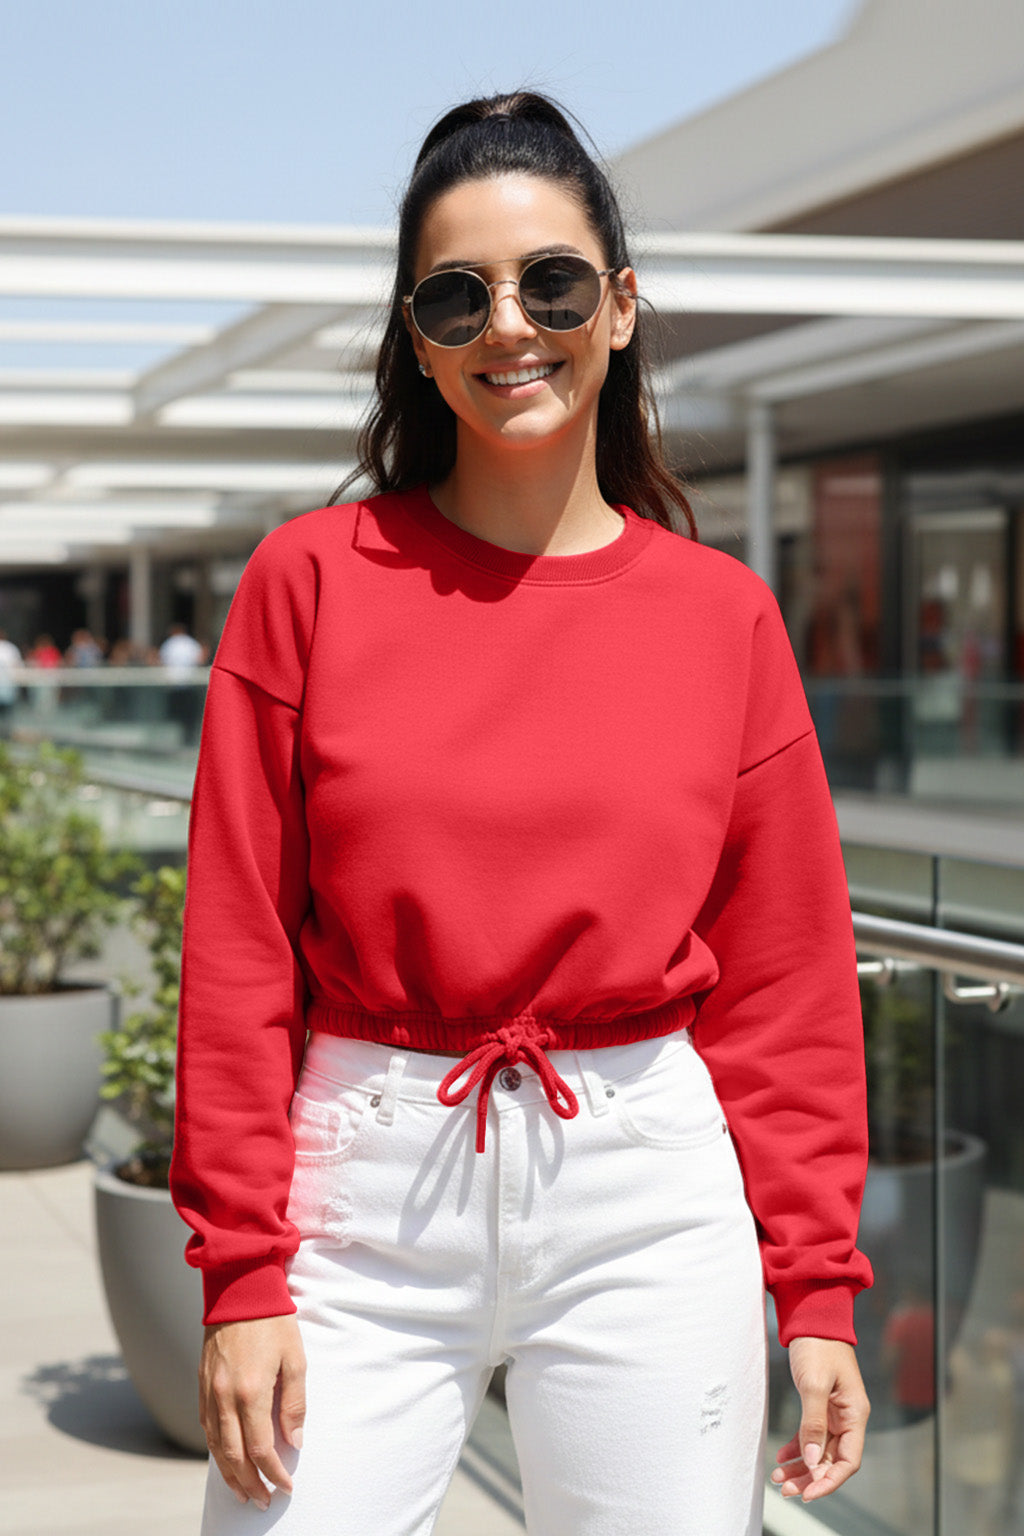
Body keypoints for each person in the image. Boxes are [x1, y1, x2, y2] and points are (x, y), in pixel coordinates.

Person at [170, 90, 873, 1536]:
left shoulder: (723, 620)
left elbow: (789, 982)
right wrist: (242, 1273)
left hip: (648, 1192)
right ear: (414, 341)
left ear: (618, 308)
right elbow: (238, 952)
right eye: (456, 294)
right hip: (362, 1190)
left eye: (551, 282)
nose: (510, 326)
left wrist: (815, 1286)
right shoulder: (308, 584)